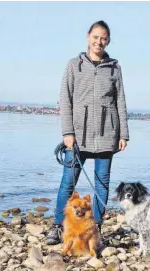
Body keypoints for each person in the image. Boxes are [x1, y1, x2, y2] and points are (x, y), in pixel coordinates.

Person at [46, 20, 129, 245]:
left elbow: (120, 101)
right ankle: (57, 226)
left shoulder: (114, 68)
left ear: (108, 41)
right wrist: (67, 132)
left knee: (102, 183)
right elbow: (65, 98)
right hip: (78, 137)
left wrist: (123, 134)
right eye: (95, 37)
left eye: (103, 38)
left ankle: (97, 228)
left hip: (107, 134)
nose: (99, 42)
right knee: (67, 183)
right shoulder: (74, 65)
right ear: (88, 37)